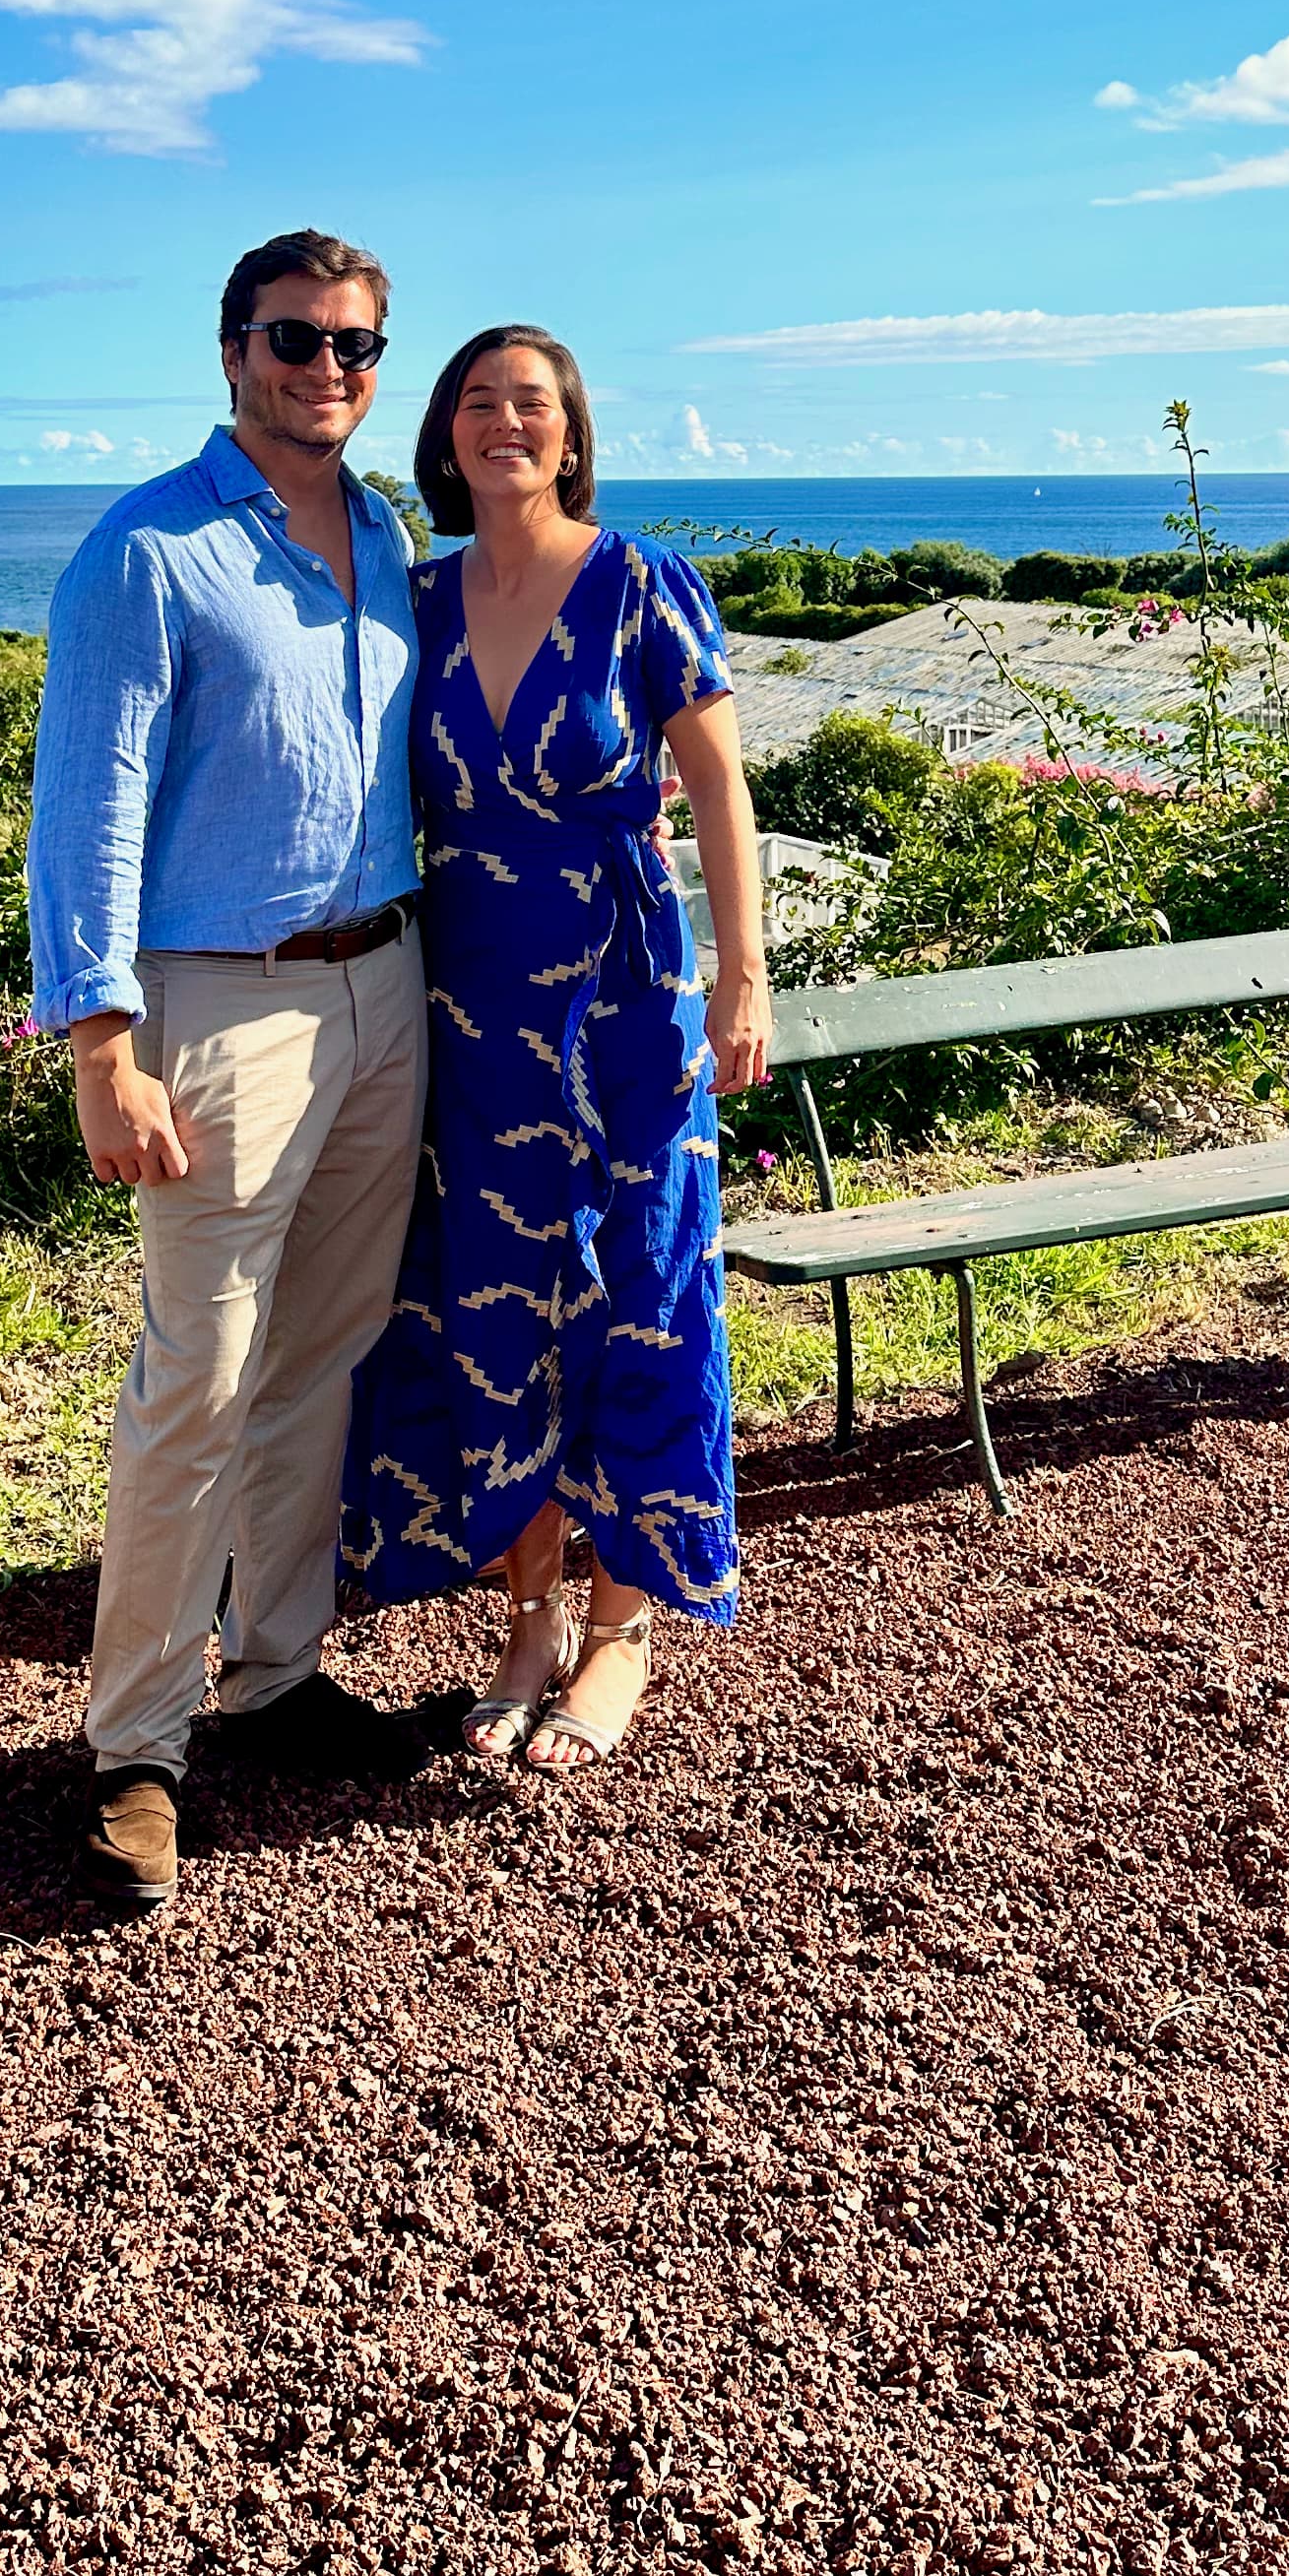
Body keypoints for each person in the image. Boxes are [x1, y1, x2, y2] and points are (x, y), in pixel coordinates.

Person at [29, 226, 428, 1913]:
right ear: (229, 349)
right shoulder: (148, 553)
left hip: (382, 986)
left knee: (319, 1358)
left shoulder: (392, 534)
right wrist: (98, 1041)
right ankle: (134, 1747)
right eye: (292, 340)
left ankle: (271, 1672)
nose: (321, 371)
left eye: (351, 347)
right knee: (196, 1376)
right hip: (219, 1008)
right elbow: (91, 805)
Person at [342, 325, 770, 1773]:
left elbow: (719, 793)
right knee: (496, 1308)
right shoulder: (414, 601)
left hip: (628, 1004)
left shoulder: (641, 581)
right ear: (446, 436)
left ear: (571, 436)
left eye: (531, 403)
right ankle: (525, 1620)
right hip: (469, 1012)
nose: (503, 422)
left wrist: (743, 983)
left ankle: (623, 1630)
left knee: (641, 1295)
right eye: (477, 401)